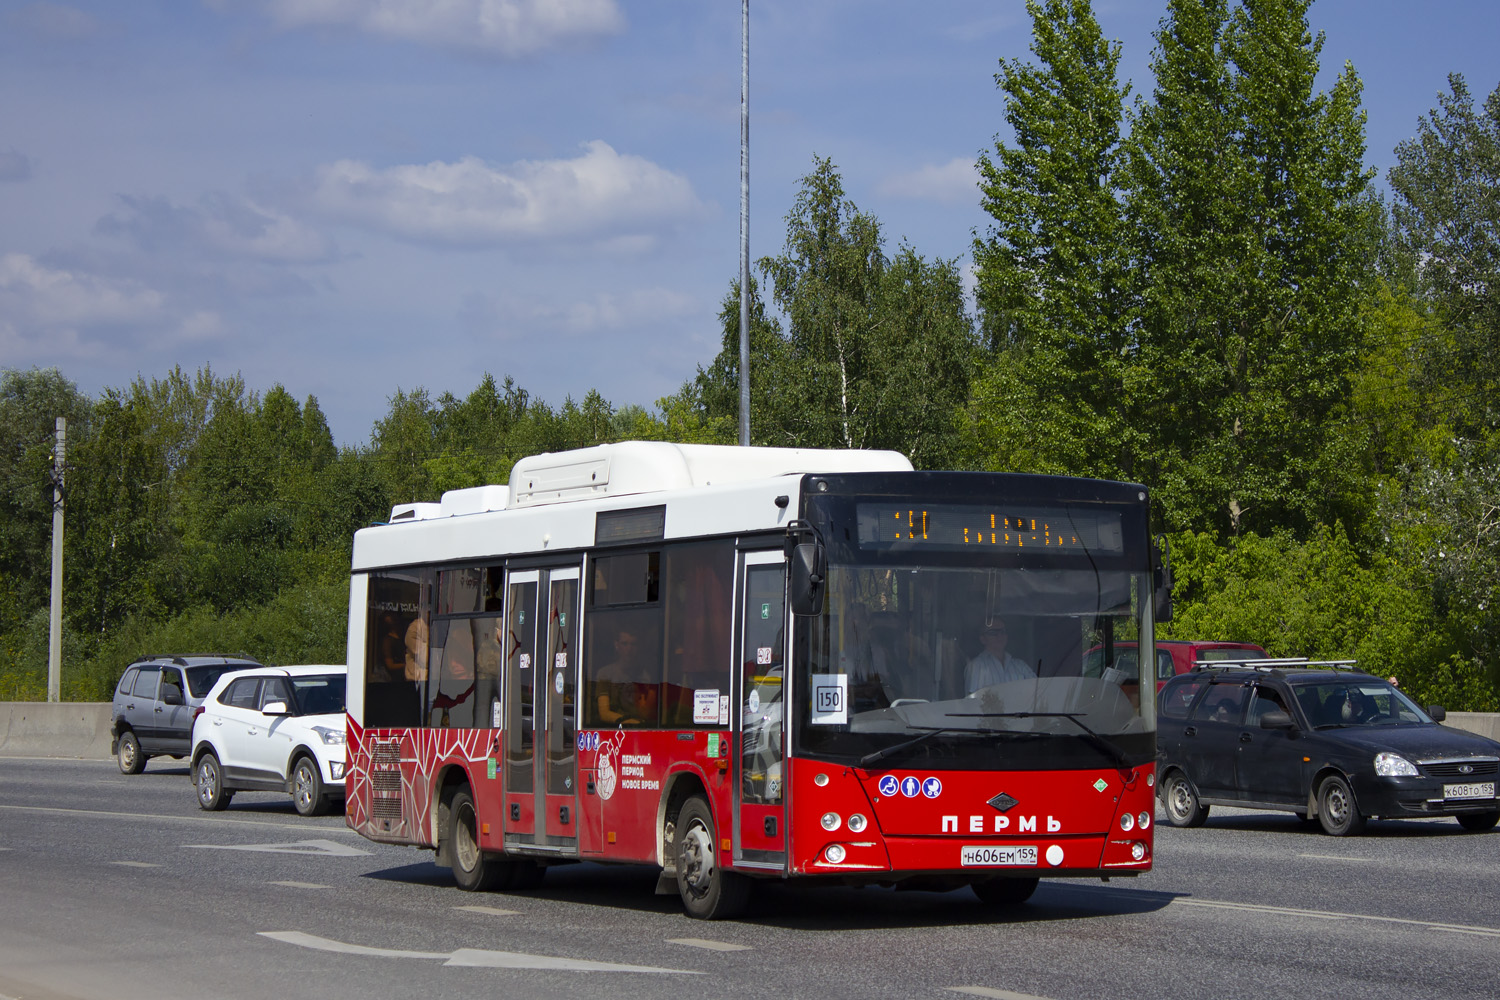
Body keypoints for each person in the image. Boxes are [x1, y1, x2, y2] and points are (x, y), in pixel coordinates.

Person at [596, 628, 655, 726]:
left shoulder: (645, 675)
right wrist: (627, 722)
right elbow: (604, 713)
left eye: (633, 644)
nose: (629, 649)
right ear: (616, 645)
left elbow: (647, 712)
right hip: (613, 731)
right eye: (624, 644)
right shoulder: (605, 674)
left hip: (640, 730)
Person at [965, 618, 1035, 693]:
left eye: (1002, 632)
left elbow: (1038, 693)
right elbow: (973, 701)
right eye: (993, 632)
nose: (999, 636)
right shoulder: (976, 666)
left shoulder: (1020, 666)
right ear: (983, 639)